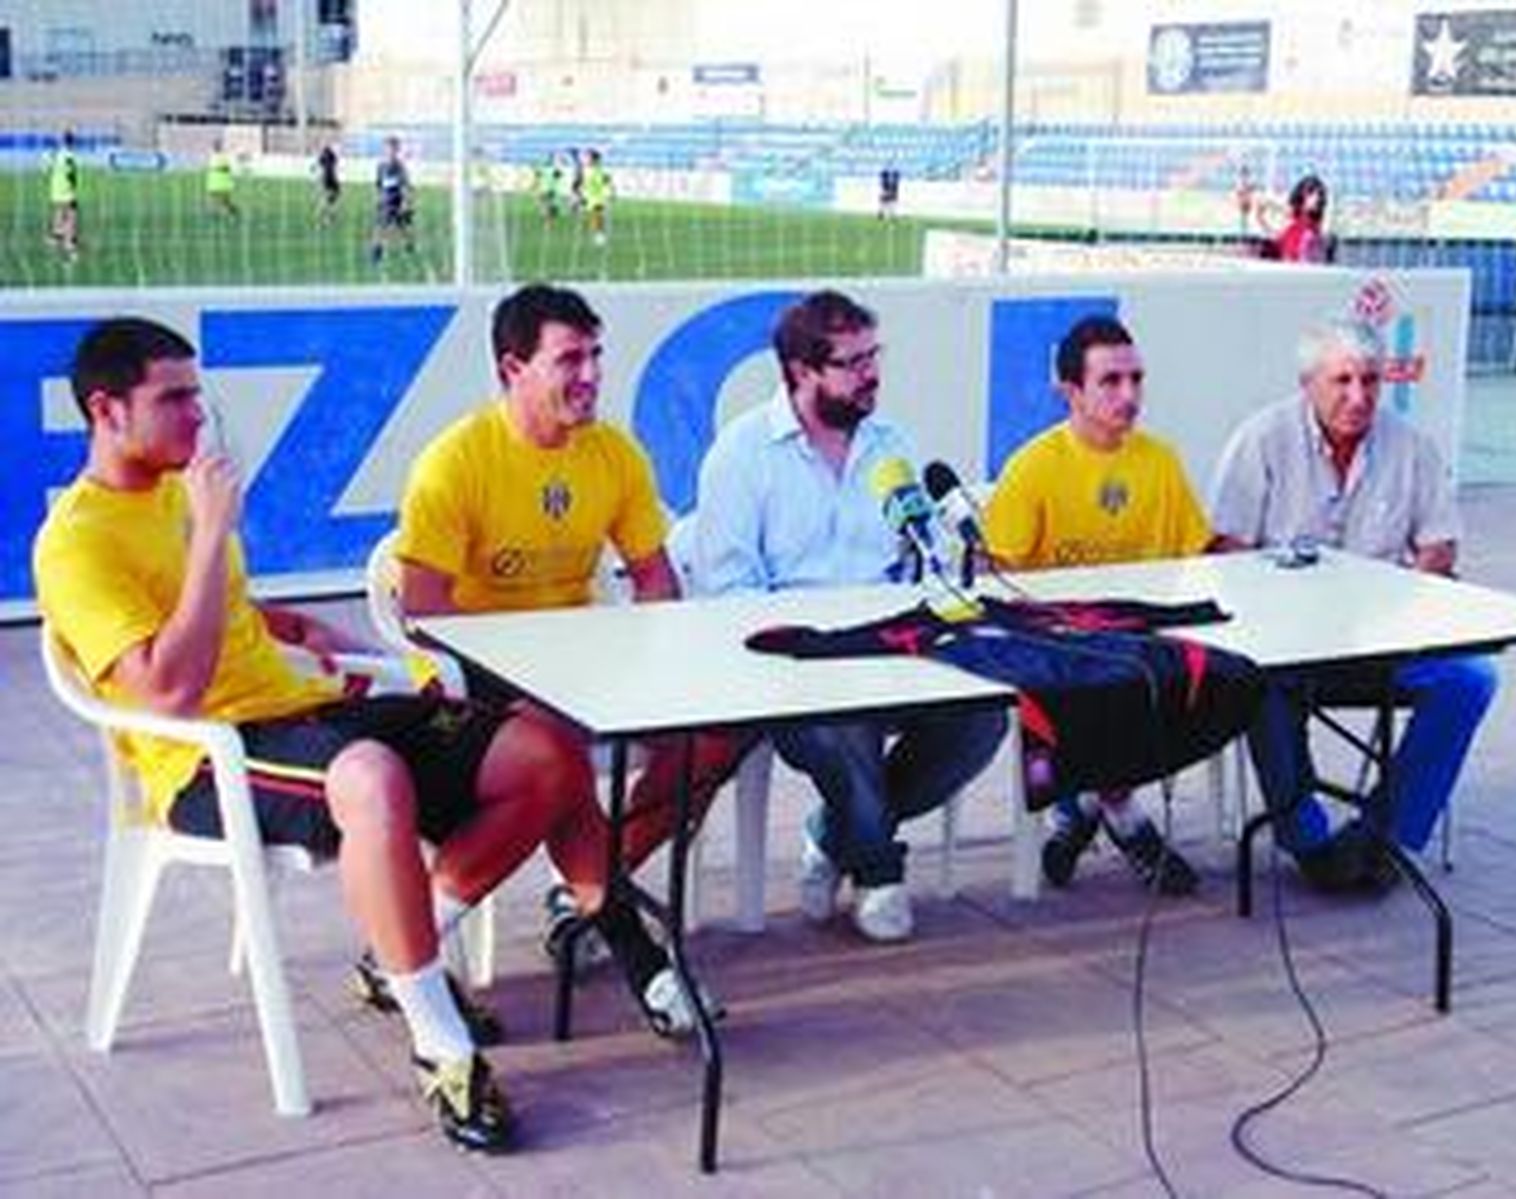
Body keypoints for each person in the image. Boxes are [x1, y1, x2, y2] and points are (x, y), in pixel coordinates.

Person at [34, 317, 694, 1154]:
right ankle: (442, 1046)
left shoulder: (173, 489)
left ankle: (409, 956)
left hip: (303, 713)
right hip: (211, 755)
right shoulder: (77, 541)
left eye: (198, 394)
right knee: (373, 776)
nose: (198, 416)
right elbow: (167, 690)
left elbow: (203, 614)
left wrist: (284, 623)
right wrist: (209, 536)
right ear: (106, 409)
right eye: (173, 399)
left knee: (545, 751)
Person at [395, 283, 752, 967]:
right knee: (553, 750)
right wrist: (517, 678)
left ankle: (589, 885)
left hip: (583, 670)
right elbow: (424, 612)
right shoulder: (454, 462)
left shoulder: (614, 454)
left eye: (595, 355)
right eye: (568, 359)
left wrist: (671, 667)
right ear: (511, 369)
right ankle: (601, 926)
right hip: (480, 681)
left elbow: (653, 576)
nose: (589, 375)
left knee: (715, 731)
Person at [694, 289, 1008, 943]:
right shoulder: (741, 453)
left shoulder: (891, 444)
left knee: (983, 715)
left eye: (874, 355)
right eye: (852, 361)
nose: (872, 373)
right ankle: (878, 869)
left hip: (893, 652)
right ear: (801, 371)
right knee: (846, 726)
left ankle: (833, 833)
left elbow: (924, 558)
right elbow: (726, 592)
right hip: (794, 668)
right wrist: (818, 638)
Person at [1209, 318, 1498, 891]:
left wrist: (1402, 609)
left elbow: (1440, 546)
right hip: (1286, 645)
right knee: (1257, 684)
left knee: (1471, 679)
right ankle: (1310, 841)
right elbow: (1226, 550)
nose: (1358, 397)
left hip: (1383, 643)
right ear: (1308, 383)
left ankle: (1382, 834)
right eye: (1342, 381)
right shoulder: (1261, 439)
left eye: (1370, 381)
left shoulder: (1411, 446)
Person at [983, 314, 1209, 896]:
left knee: (1206, 676)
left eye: (1136, 379)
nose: (1129, 395)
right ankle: (1125, 818)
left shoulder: (1161, 461)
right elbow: (999, 575)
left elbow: (1199, 557)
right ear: (1071, 391)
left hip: (1143, 634)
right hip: (1059, 642)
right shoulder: (1032, 467)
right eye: (1111, 381)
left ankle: (1083, 807)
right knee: (1107, 684)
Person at [371, 136, 416, 264]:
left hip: (398, 200)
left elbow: (406, 184)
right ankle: (377, 252)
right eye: (388, 148)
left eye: (393, 149)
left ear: (397, 150)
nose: (390, 151)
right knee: (380, 227)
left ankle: (409, 245)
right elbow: (378, 185)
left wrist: (407, 202)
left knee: (402, 227)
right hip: (385, 201)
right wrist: (378, 198)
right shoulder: (381, 166)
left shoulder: (400, 167)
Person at [1270, 173, 1329, 264]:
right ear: (1302, 196)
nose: (1317, 198)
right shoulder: (1293, 228)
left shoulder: (1315, 230)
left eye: (1320, 194)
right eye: (1311, 193)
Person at [46, 130, 81, 262]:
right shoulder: (70, 156)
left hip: (55, 191)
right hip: (67, 190)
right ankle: (70, 246)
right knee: (71, 217)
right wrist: (73, 185)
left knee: (59, 213)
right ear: (72, 141)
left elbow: (46, 167)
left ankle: (55, 237)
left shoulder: (55, 154)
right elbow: (71, 174)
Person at [579, 149, 613, 246]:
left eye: (588, 157)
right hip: (588, 197)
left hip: (597, 198)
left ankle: (600, 235)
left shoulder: (597, 171)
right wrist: (582, 191)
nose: (585, 159)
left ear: (593, 160)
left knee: (597, 216)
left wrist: (609, 192)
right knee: (590, 217)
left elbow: (605, 181)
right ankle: (597, 233)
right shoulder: (586, 170)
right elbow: (586, 183)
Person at [204, 140, 239, 220]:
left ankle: (230, 212)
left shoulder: (222, 156)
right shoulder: (216, 155)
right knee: (214, 198)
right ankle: (227, 212)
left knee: (223, 200)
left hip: (221, 181)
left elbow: (226, 168)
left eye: (217, 145)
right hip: (216, 181)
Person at [536, 152, 566, 225]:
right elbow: (538, 174)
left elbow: (558, 175)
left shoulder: (552, 169)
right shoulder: (547, 168)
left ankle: (549, 218)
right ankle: (548, 219)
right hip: (548, 190)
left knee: (549, 207)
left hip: (550, 190)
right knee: (546, 205)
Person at [315, 142, 340, 223]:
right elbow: (335, 162)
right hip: (331, 178)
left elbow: (319, 165)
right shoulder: (332, 157)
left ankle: (323, 213)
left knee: (327, 197)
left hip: (326, 179)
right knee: (332, 198)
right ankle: (327, 215)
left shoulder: (323, 158)